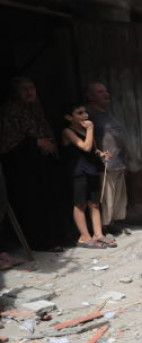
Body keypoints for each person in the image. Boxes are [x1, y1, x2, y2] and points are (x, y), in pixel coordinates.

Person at [0, 77, 66, 252]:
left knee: (51, 201)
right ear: (16, 92)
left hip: (43, 166)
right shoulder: (12, 111)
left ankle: (56, 237)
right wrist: (36, 143)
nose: (29, 92)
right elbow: (8, 143)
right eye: (24, 89)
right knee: (34, 205)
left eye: (31, 88)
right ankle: (41, 241)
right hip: (25, 170)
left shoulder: (37, 109)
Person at [61, 102, 112, 249]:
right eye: (80, 113)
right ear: (69, 117)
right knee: (80, 204)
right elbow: (84, 146)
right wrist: (90, 129)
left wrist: (101, 154)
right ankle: (84, 236)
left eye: (85, 112)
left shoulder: (87, 131)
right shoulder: (67, 131)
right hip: (78, 171)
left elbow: (93, 149)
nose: (85, 116)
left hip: (91, 169)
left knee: (94, 203)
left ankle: (98, 234)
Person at [85, 82, 128, 236]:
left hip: (118, 162)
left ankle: (112, 224)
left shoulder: (107, 112)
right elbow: (88, 141)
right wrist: (98, 154)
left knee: (116, 199)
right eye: (100, 92)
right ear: (90, 96)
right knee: (105, 198)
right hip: (104, 164)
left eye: (106, 91)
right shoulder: (88, 114)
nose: (105, 94)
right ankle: (102, 227)